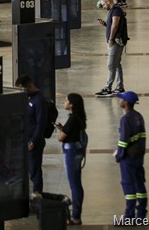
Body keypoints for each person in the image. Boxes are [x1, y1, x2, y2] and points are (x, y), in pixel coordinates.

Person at [114, 91, 147, 220]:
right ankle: (141, 213)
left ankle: (129, 216)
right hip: (138, 156)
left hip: (128, 157)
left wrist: (119, 155)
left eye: (122, 99)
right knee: (140, 184)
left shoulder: (125, 119)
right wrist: (141, 153)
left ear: (126, 102)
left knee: (128, 185)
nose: (120, 101)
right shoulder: (139, 116)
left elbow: (123, 140)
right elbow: (143, 137)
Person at [55, 93, 87, 226]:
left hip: (71, 153)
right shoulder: (78, 117)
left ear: (72, 105)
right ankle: (76, 214)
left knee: (74, 185)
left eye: (66, 101)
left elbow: (60, 138)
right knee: (77, 184)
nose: (64, 102)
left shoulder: (73, 119)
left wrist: (60, 132)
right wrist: (63, 129)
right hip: (77, 151)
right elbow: (70, 132)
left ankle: (76, 216)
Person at [15, 75, 48, 195]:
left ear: (29, 86)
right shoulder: (28, 98)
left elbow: (41, 124)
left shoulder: (39, 100)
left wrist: (33, 141)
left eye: (22, 89)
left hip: (34, 142)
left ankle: (37, 194)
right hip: (25, 139)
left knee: (34, 171)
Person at [96, 0, 126, 96]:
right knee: (117, 64)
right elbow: (112, 24)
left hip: (115, 42)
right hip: (115, 40)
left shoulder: (116, 10)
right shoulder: (113, 10)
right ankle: (119, 87)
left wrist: (111, 38)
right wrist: (105, 24)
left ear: (108, 2)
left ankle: (107, 88)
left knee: (110, 65)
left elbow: (115, 24)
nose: (103, 7)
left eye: (104, 4)